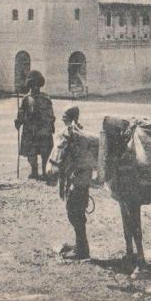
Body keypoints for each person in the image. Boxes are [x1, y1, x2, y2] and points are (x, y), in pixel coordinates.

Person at [61, 105, 91, 260]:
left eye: (65, 116)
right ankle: (80, 245)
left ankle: (82, 250)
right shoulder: (76, 132)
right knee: (75, 213)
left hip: (79, 179)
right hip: (79, 178)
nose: (62, 118)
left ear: (71, 118)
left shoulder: (76, 135)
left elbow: (78, 158)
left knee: (75, 213)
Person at [14, 70, 55, 180]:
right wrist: (18, 122)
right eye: (33, 86)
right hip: (30, 131)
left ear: (40, 85)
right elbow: (21, 114)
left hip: (43, 130)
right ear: (29, 86)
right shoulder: (26, 99)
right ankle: (34, 171)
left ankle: (45, 172)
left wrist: (50, 125)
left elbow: (51, 115)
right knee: (31, 153)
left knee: (45, 152)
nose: (35, 88)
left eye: (37, 85)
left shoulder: (46, 98)